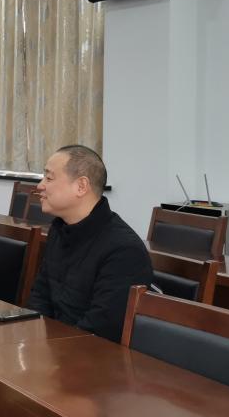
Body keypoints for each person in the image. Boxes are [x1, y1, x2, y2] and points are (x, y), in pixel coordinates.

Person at [27, 145, 153, 342]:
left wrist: (51, 349)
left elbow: (101, 329)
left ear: (81, 186)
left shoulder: (123, 250)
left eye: (49, 178)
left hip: (89, 353)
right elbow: (40, 295)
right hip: (53, 346)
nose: (40, 185)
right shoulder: (59, 229)